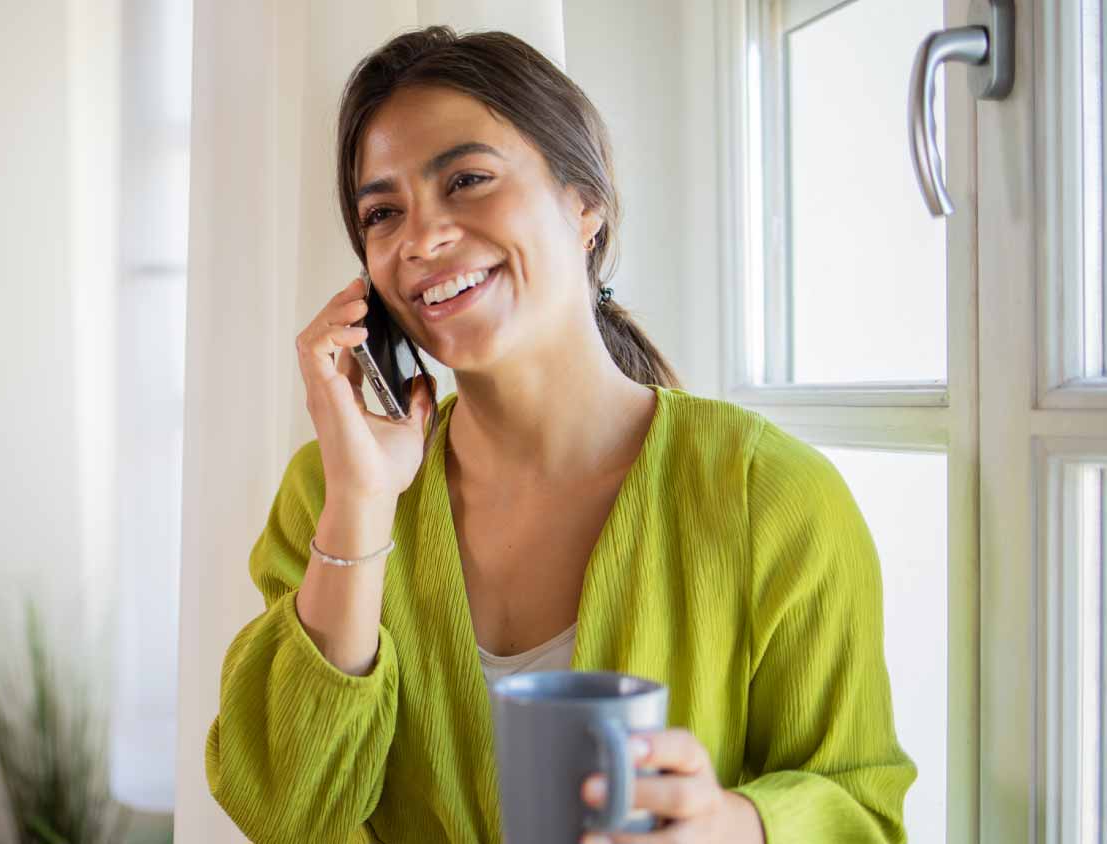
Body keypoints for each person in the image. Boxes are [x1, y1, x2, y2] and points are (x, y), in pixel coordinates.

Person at [205, 25, 915, 844]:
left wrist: (737, 826)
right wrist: (362, 508)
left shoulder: (775, 498)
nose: (420, 238)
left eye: (467, 179)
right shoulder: (330, 495)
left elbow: (860, 806)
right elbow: (282, 808)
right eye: (382, 212)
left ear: (586, 205)